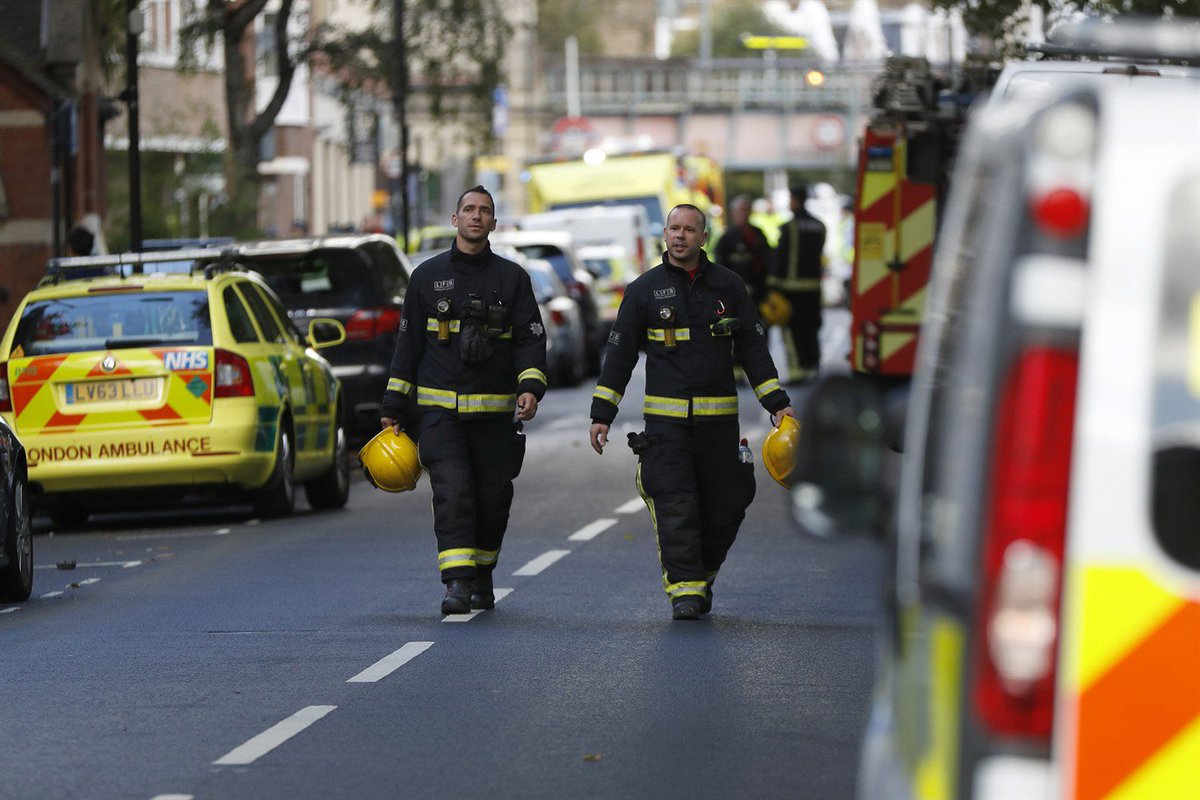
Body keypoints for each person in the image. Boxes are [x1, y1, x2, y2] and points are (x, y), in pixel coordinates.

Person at [589, 204, 794, 621]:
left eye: (689, 230)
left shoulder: (730, 287)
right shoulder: (643, 291)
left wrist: (777, 404)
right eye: (674, 228)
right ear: (665, 234)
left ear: (704, 237)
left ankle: (701, 576)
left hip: (719, 427)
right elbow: (619, 357)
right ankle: (685, 591)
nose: (680, 236)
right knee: (675, 502)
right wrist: (601, 415)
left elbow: (754, 350)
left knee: (727, 503)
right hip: (666, 428)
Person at [380, 185, 548, 615]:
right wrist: (393, 408)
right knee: (453, 494)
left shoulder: (512, 279)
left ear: (493, 223)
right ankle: (456, 584)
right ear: (455, 220)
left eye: (484, 211)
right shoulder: (425, 277)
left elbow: (531, 341)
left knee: (492, 499)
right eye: (469, 210)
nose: (476, 216)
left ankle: (482, 576)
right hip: (440, 416)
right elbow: (408, 346)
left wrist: (530, 387)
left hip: (494, 418)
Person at [769, 184, 827, 383]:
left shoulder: (789, 228)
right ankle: (813, 368)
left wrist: (773, 285)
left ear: (796, 200)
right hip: (814, 288)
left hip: (791, 289)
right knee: (811, 329)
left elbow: (781, 259)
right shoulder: (819, 226)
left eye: (790, 199)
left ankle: (797, 371)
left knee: (792, 332)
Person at [714, 195, 771, 304]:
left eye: (746, 210)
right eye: (740, 210)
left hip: (759, 288)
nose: (744, 214)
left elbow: (768, 258)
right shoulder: (727, 238)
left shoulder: (758, 233)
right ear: (732, 213)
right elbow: (720, 264)